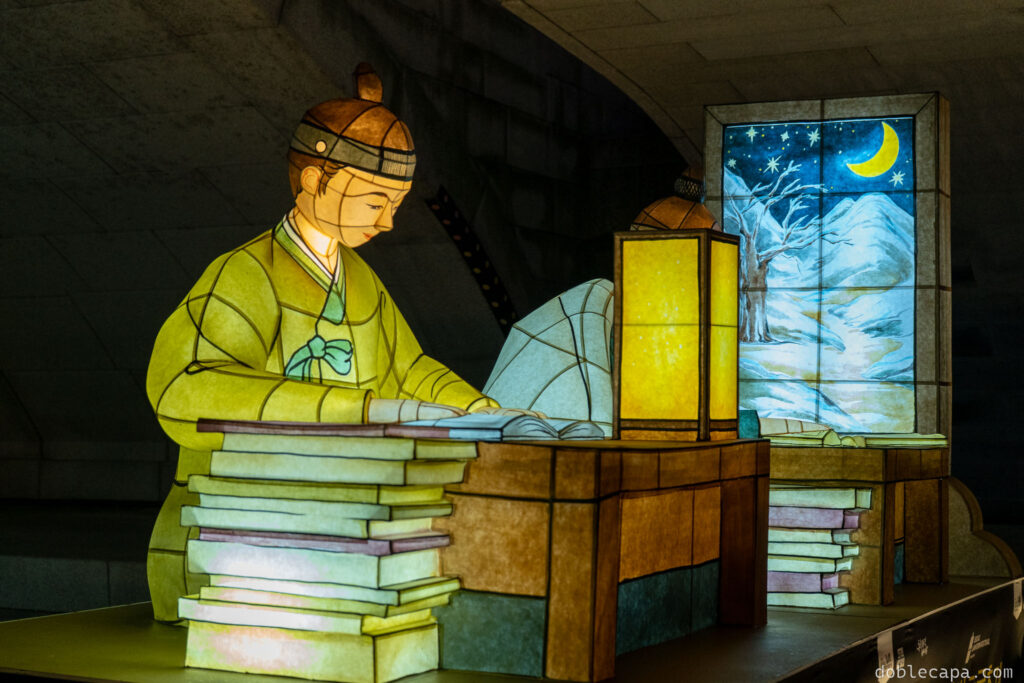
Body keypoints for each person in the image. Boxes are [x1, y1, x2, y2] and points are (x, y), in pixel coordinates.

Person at [144, 64, 503, 621]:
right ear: (314, 180)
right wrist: (352, 410)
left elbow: (408, 369)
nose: (388, 222)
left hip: (339, 520)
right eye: (375, 202)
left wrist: (484, 413)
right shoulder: (246, 273)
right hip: (235, 532)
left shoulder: (361, 279)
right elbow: (183, 388)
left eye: (395, 205)